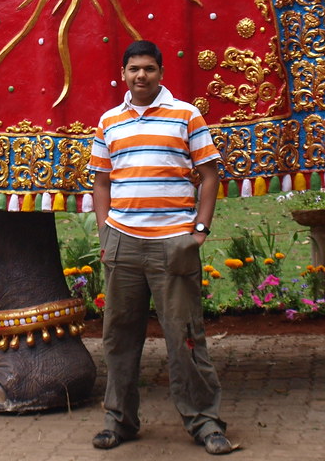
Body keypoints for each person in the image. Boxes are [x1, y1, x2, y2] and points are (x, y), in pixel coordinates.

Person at [88, 40, 235, 455]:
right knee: (118, 336)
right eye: (134, 69)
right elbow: (101, 182)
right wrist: (105, 233)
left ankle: (205, 423)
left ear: (161, 73)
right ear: (123, 74)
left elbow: (209, 175)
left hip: (174, 242)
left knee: (185, 336)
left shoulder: (186, 115)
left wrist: (199, 230)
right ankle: (119, 421)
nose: (141, 76)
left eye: (149, 69)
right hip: (123, 243)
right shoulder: (109, 122)